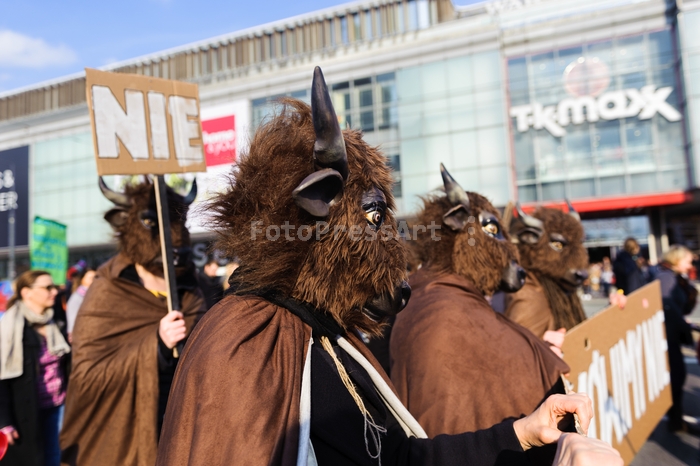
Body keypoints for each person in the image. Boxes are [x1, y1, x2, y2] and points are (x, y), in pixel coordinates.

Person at [0, 270, 71, 466]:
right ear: (26, 292)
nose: (54, 292)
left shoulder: (55, 321)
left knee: (55, 458)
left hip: (58, 404)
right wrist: (4, 422)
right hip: (25, 412)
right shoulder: (10, 327)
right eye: (47, 288)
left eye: (54, 287)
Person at [656, 245, 697, 432]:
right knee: (676, 377)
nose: (690, 264)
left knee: (678, 377)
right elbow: (667, 308)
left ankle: (676, 418)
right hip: (667, 336)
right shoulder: (666, 278)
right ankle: (675, 420)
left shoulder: (675, 277)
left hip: (673, 334)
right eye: (687, 261)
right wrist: (685, 324)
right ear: (676, 259)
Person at [64, 268, 95, 341]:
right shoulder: (77, 297)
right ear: (82, 279)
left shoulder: (94, 294)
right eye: (91, 278)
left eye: (96, 277)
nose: (94, 280)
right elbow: (72, 319)